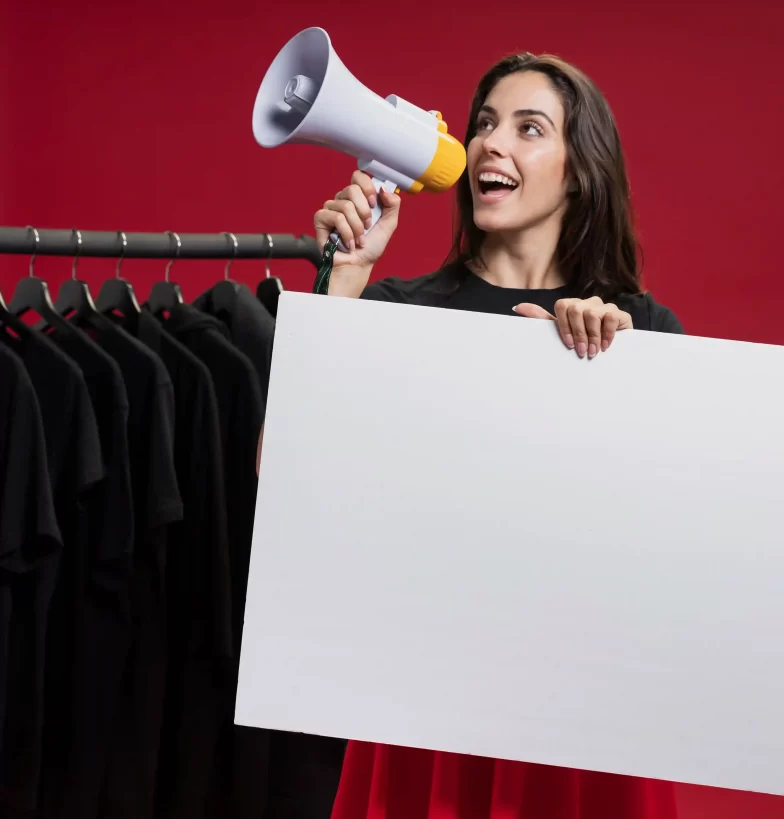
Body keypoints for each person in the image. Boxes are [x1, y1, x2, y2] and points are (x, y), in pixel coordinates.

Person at [260, 51, 685, 819]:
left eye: (529, 128)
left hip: (579, 717)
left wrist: (615, 374)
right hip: (423, 706)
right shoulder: (394, 310)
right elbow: (278, 468)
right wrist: (344, 282)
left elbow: (672, 549)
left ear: (580, 170)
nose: (493, 144)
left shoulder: (639, 328)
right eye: (485, 124)